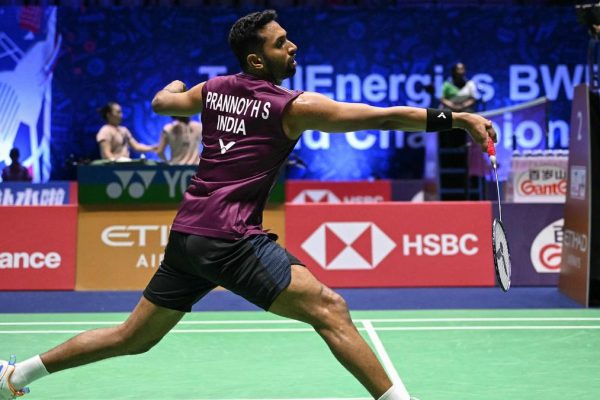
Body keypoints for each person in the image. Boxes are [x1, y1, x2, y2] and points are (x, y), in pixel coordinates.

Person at [0, 10, 496, 400]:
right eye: (281, 42)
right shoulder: (292, 107)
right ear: (257, 60)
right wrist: (460, 120)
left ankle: (15, 376)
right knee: (330, 308)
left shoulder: (214, 91)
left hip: (189, 235)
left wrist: (175, 84)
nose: (292, 45)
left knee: (133, 337)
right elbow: (382, 117)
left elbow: (162, 103)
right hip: (230, 238)